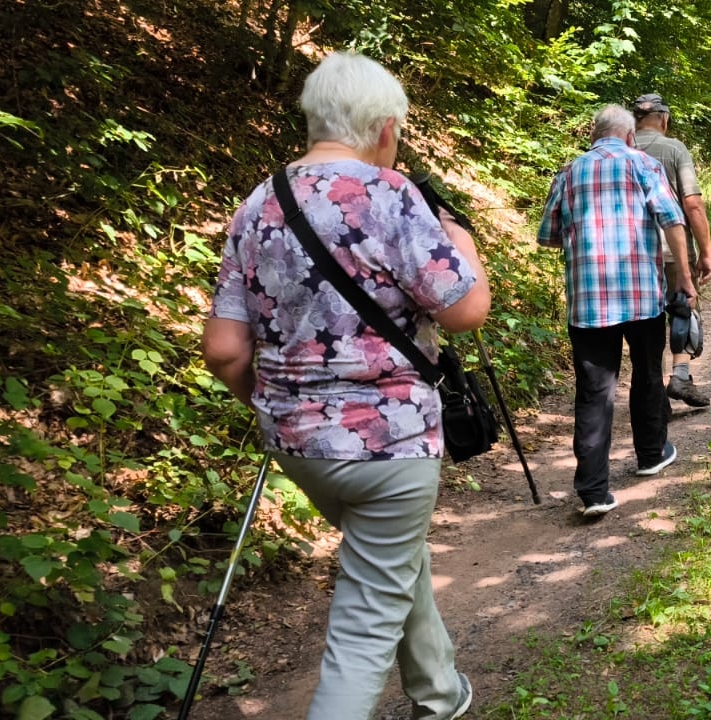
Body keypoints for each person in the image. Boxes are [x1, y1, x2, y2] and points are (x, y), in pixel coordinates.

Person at [201, 52, 487, 719]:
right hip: (391, 446)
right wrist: (465, 244)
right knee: (363, 624)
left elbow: (223, 348)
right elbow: (465, 310)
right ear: (386, 128)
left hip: (298, 447)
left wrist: (281, 411)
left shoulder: (258, 201)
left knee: (386, 560)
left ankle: (441, 693)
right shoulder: (389, 195)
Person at [537, 104, 698, 516]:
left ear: (594, 135)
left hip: (588, 303)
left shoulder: (569, 172)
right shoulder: (642, 164)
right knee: (646, 373)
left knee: (594, 392)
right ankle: (650, 455)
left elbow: (548, 236)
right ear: (629, 136)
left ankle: (593, 492)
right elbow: (672, 220)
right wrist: (684, 277)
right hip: (641, 296)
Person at [631, 93, 711, 407]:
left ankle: (653, 393)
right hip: (672, 248)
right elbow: (692, 205)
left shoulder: (620, 149)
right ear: (664, 118)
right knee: (683, 309)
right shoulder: (674, 149)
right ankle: (680, 376)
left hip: (633, 255)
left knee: (644, 321)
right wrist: (705, 251)